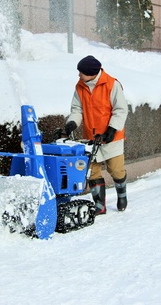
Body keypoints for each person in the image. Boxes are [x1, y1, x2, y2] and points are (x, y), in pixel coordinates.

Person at [64, 55, 129, 215]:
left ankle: (122, 195)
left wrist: (112, 129)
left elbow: (120, 109)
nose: (79, 75)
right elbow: (77, 110)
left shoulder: (112, 84)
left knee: (116, 170)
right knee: (92, 171)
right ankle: (100, 205)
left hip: (111, 137)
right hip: (91, 139)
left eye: (81, 73)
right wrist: (72, 123)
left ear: (91, 73)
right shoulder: (80, 86)